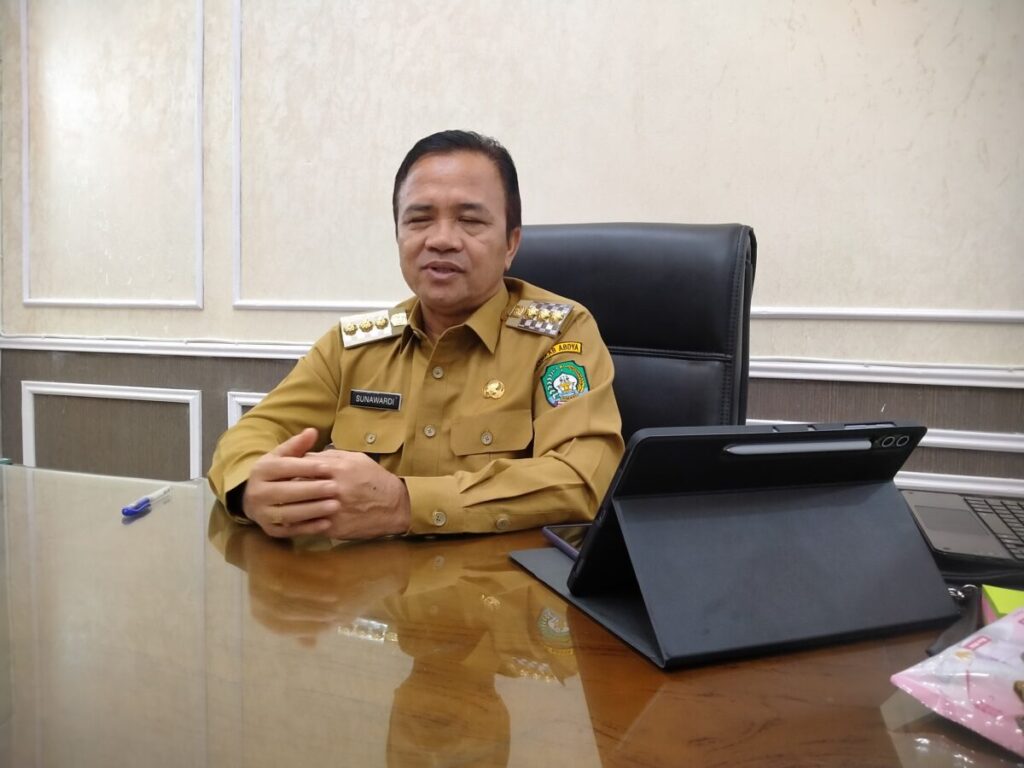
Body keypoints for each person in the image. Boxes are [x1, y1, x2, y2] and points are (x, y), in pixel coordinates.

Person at [208, 130, 624, 539]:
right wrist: (250, 489)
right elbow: (249, 436)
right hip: (371, 581)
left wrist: (405, 504)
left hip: (501, 581)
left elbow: (581, 478)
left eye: (470, 220)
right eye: (419, 219)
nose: (441, 240)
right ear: (399, 236)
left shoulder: (559, 336)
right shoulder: (353, 347)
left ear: (511, 244)